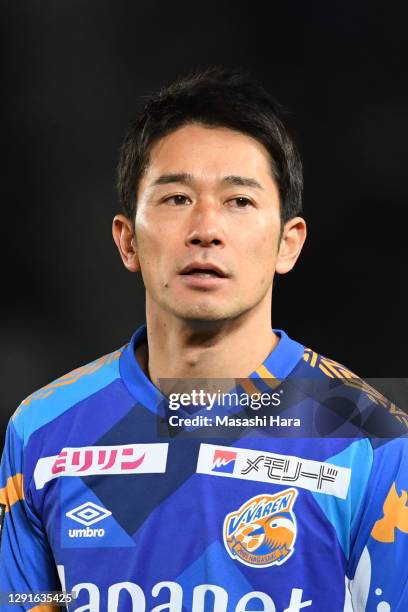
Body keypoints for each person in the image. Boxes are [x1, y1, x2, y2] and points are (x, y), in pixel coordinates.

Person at [0, 67, 407, 612]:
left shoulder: (370, 440)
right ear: (127, 241)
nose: (206, 228)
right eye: (175, 199)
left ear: (289, 243)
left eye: (239, 201)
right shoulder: (42, 433)